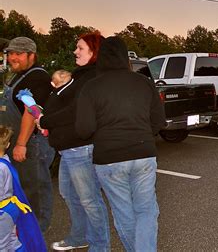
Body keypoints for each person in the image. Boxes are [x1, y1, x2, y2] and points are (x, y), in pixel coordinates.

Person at [76, 36, 165, 251]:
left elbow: (83, 129)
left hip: (109, 159)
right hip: (143, 153)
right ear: (126, 57)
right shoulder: (143, 83)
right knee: (146, 210)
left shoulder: (91, 87)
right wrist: (142, 135)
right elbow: (159, 121)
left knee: (124, 213)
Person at [38, 32, 111, 251]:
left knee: (89, 200)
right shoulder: (80, 76)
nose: (75, 51)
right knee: (69, 194)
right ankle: (80, 236)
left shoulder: (92, 78)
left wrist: (46, 120)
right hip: (68, 148)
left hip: (81, 148)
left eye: (80, 48)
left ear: (93, 51)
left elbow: (74, 111)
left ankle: (100, 246)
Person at [0, 37, 55, 233]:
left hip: (32, 144)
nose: (13, 57)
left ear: (31, 55)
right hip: (15, 142)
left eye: (18, 54)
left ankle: (37, 234)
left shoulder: (37, 77)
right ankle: (23, 230)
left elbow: (30, 113)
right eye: (10, 53)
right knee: (19, 188)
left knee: (35, 190)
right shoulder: (17, 76)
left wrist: (21, 143)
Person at [0, 125, 47, 251]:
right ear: (8, 145)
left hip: (2, 211)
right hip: (10, 208)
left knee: (2, 245)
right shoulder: (4, 161)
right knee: (12, 242)